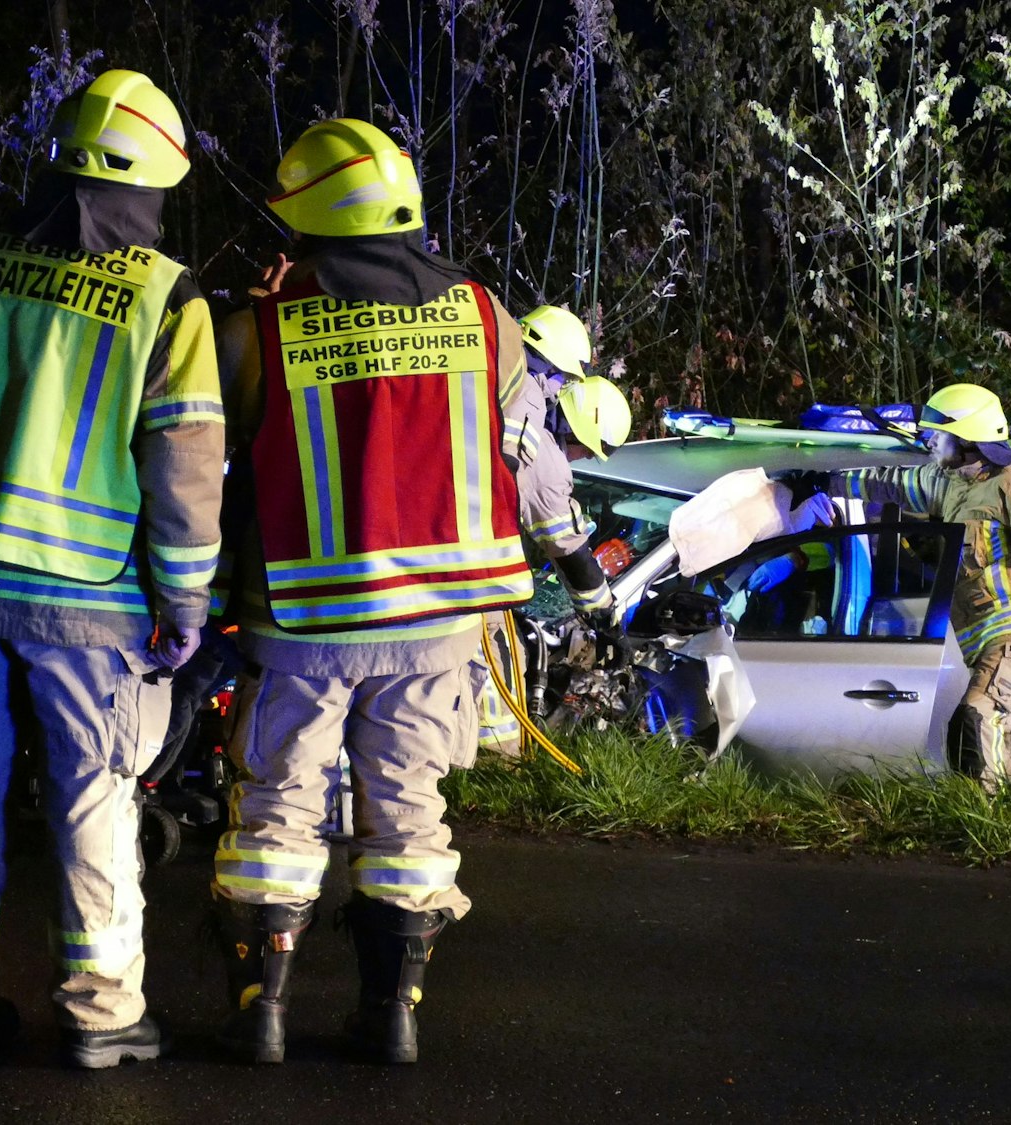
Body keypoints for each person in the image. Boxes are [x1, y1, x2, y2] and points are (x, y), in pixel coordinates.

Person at [0, 69, 222, 1068]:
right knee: (92, 799)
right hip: (90, 596)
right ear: (150, 183)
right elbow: (183, 466)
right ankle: (102, 1018)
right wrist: (185, 601)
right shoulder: (162, 294)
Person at [210, 117, 532, 1065]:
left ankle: (260, 1011)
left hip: (307, 618)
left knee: (277, 809)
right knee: (408, 812)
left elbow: (215, 430)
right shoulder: (484, 314)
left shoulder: (258, 329)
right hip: (438, 619)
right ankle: (394, 1013)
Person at [794, 383, 1011, 788]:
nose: (931, 441)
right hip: (978, 635)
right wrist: (823, 483)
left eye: (939, 434)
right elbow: (885, 483)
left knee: (974, 720)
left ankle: (980, 825)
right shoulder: (947, 480)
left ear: (968, 438)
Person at [474, 302, 631, 755]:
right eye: (563, 378)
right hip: (473, 572)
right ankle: (497, 769)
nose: (561, 388)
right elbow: (568, 548)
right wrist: (605, 618)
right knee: (502, 665)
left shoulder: (491, 386)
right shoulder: (543, 452)